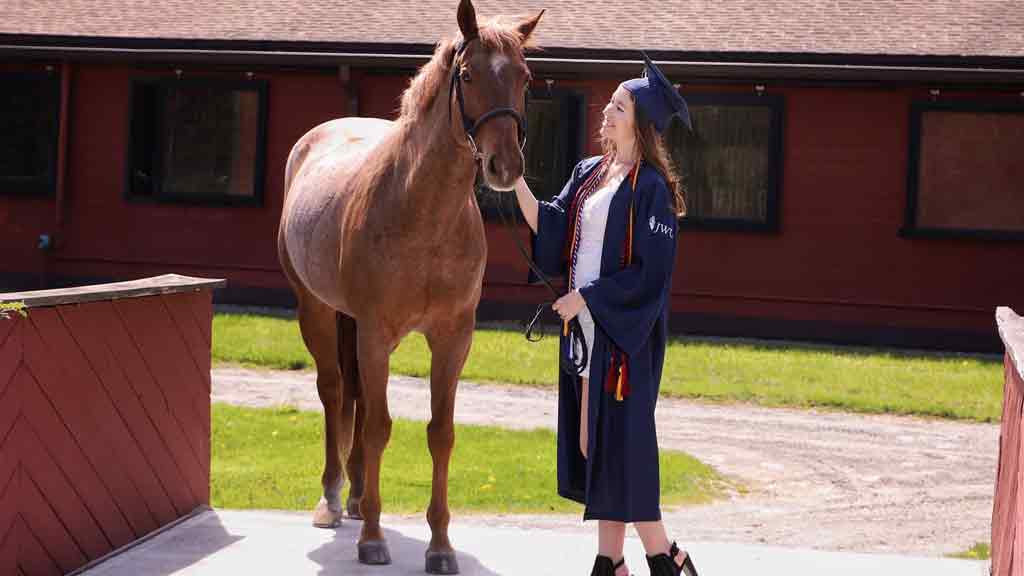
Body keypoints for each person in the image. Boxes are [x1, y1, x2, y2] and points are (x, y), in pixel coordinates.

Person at [512, 53, 698, 576]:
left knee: (622, 444)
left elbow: (650, 277)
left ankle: (663, 555)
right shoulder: (590, 173)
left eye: (618, 106)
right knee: (596, 444)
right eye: (610, 104)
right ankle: (612, 559)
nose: (607, 112)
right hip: (588, 334)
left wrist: (587, 297)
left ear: (639, 121)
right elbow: (553, 227)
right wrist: (514, 183)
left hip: (626, 337)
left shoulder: (652, 191)